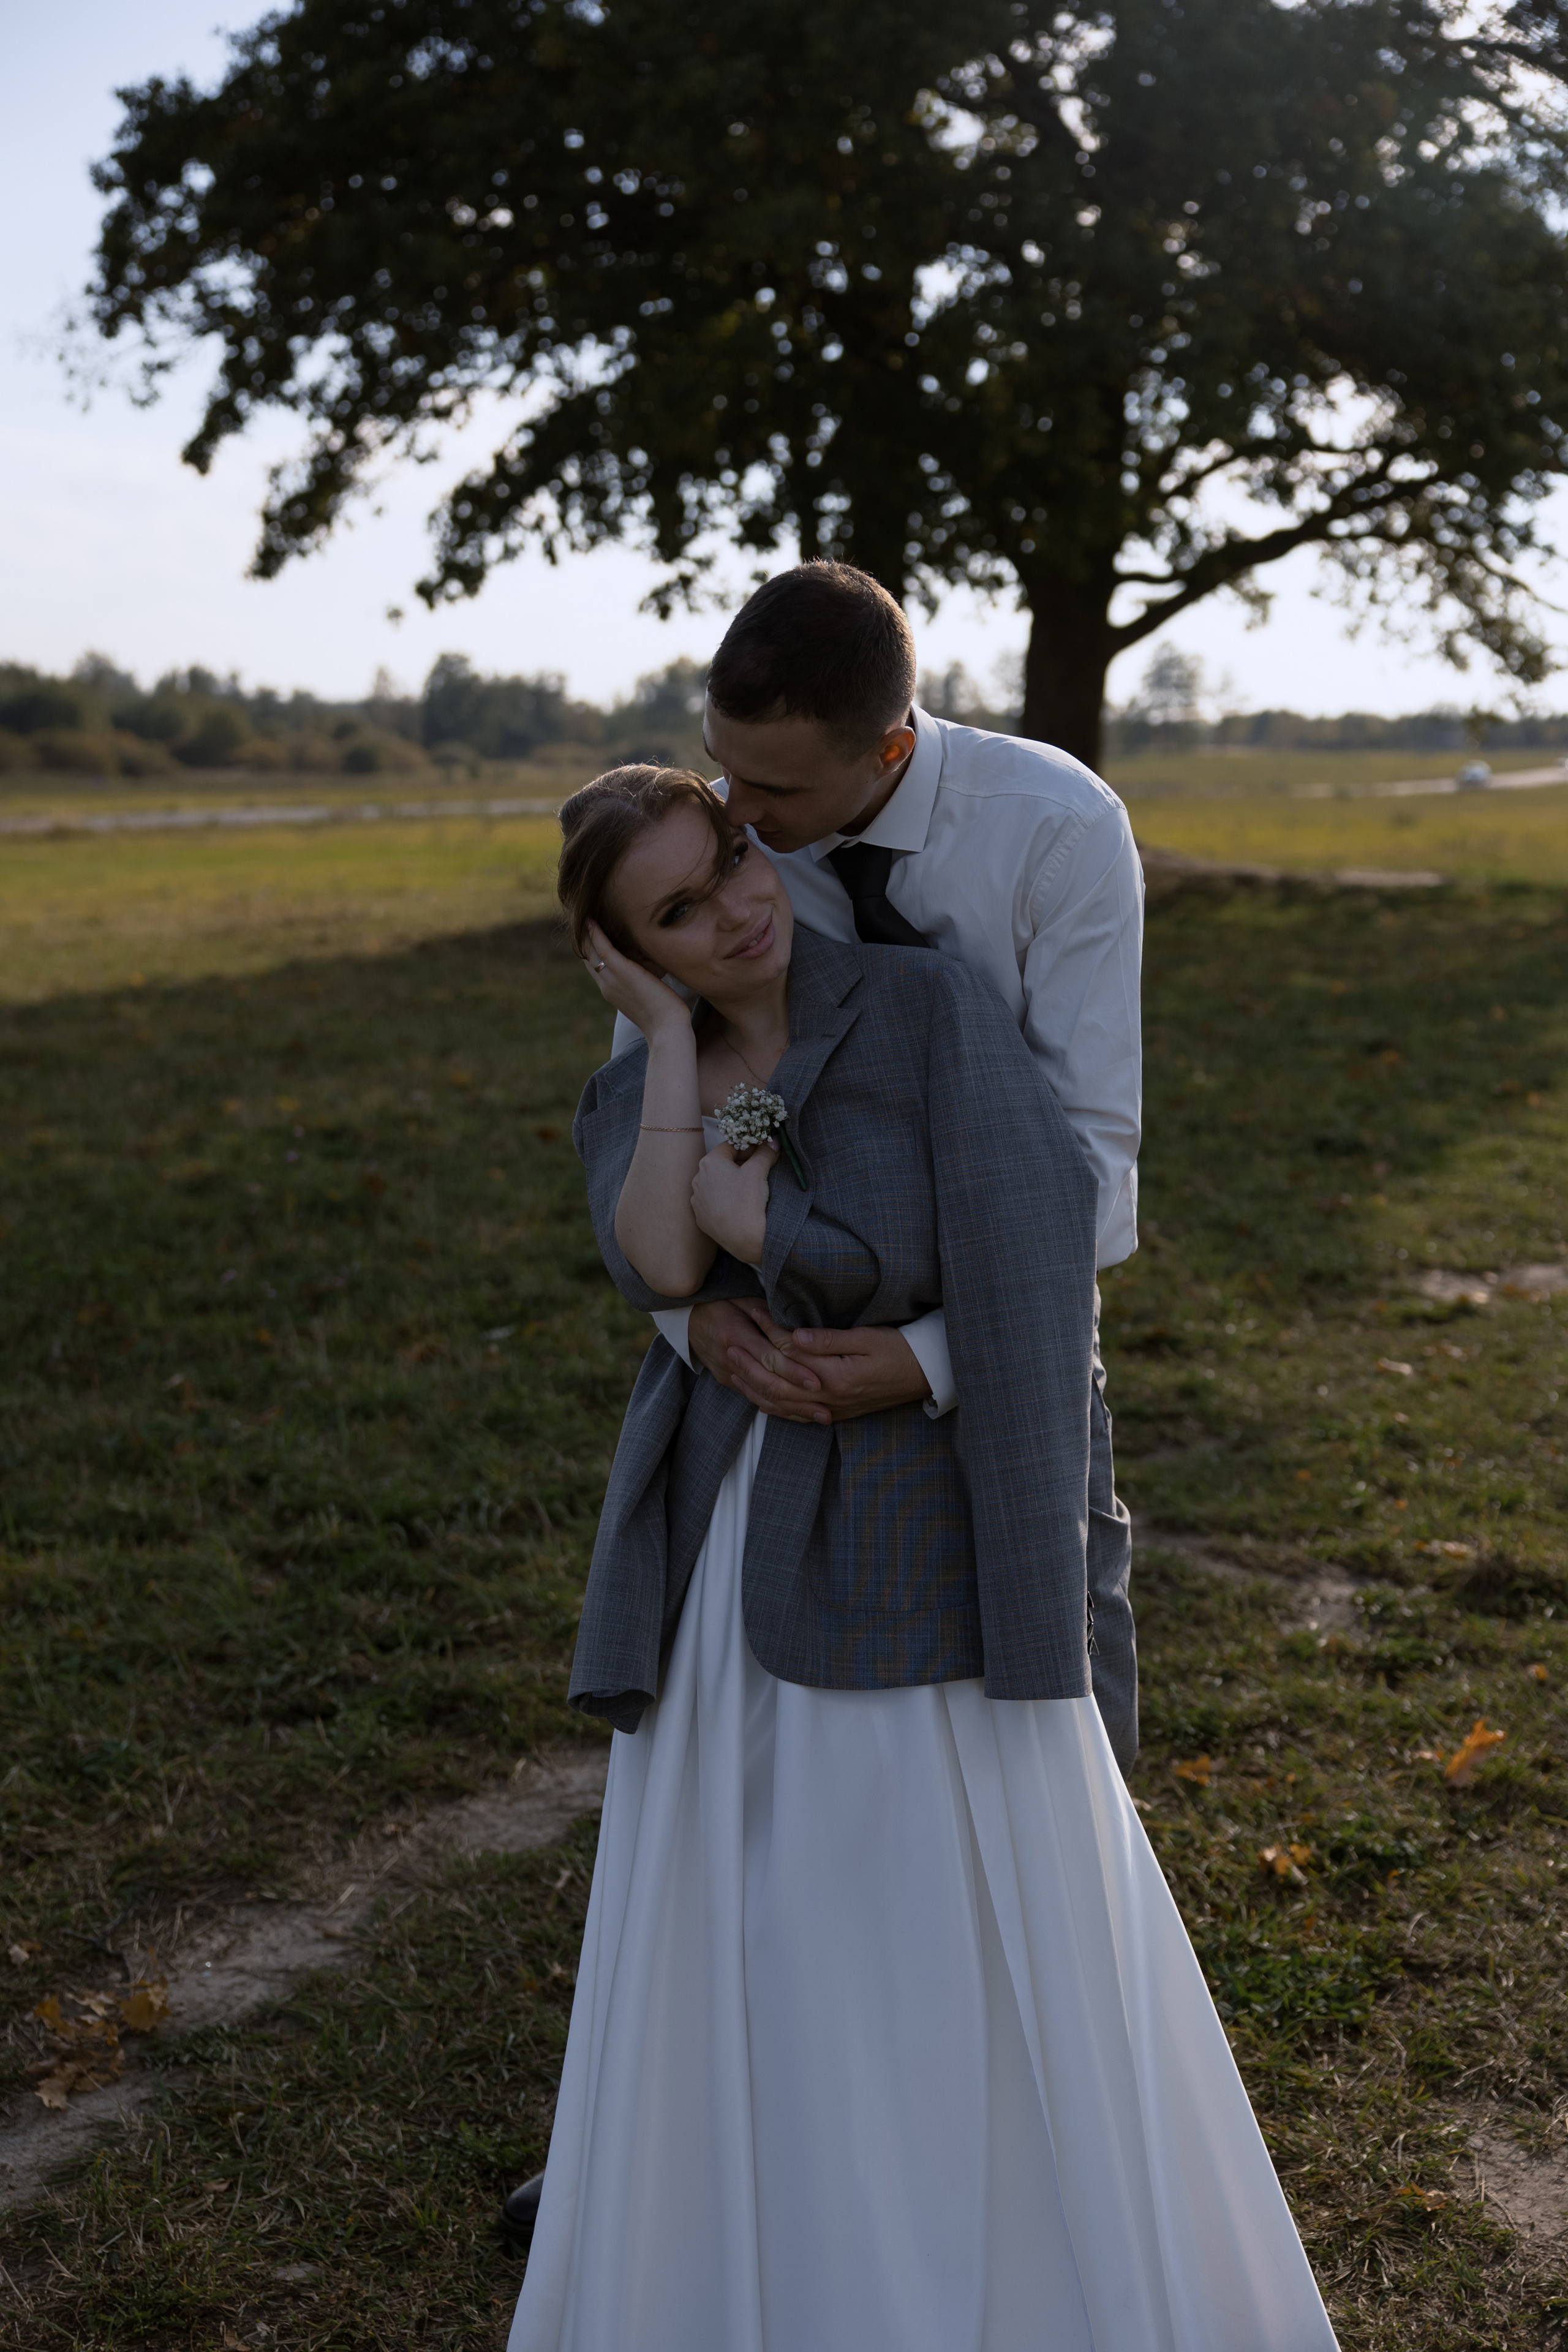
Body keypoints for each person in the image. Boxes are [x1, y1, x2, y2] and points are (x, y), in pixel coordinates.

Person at [505, 764, 1338, 2352]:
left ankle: (976, 2239)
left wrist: (803, 1269)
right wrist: (673, 1038)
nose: (738, 905)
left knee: (901, 1898)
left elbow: (1036, 1238)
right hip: (735, 1523)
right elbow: (658, 1255)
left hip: (910, 1529)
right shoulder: (689, 1067)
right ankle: (752, 2227)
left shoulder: (920, 1007)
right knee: (744, 1912)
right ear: (632, 955)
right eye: (677, 910)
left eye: (737, 858)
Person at [505, 557, 1144, 2243]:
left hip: (989, 1324)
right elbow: (680, 1141)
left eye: (769, 805)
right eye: (724, 790)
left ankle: (1075, 2084)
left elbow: (1091, 1171)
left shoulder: (1052, 831)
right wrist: (702, 1328)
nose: (747, 835)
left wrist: (929, 1361)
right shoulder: (734, 853)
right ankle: (692, 2121)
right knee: (765, 1788)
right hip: (775, 1358)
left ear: (890, 750)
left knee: (1048, 1684)